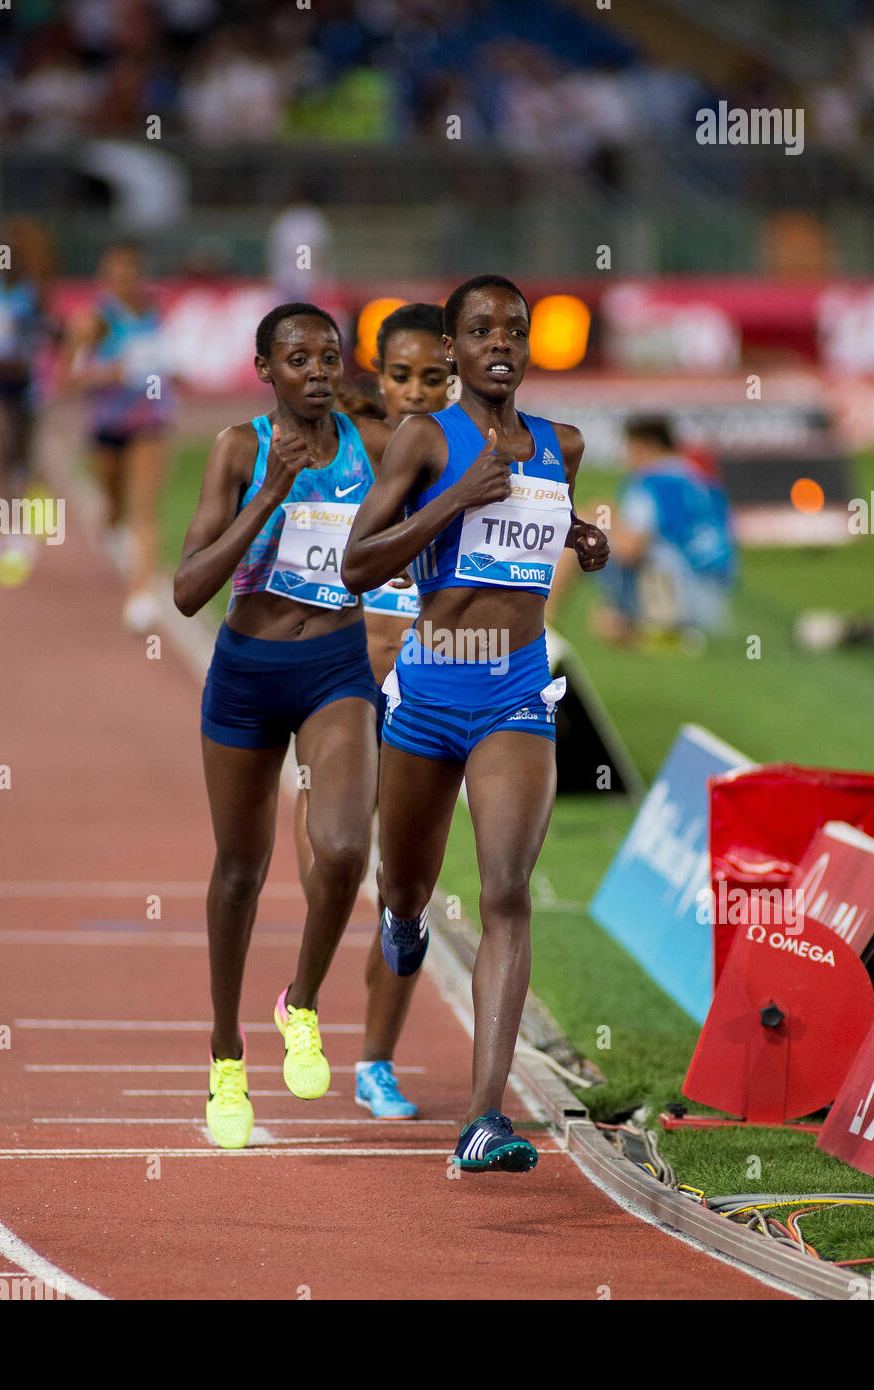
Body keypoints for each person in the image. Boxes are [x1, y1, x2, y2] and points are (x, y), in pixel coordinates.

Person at [342, 275, 609, 1171]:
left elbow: (535, 525)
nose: (501, 342)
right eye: (482, 329)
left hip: (516, 694)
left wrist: (579, 537)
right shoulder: (426, 437)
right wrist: (454, 498)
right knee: (406, 889)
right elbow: (355, 564)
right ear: (452, 350)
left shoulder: (560, 445)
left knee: (503, 893)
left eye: (515, 330)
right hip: (427, 689)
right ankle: (403, 922)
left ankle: (484, 1117)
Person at [173, 302, 391, 1150]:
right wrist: (268, 493)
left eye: (327, 356)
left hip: (336, 668)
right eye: (296, 357)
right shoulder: (239, 449)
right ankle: (227, 1052)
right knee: (239, 870)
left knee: (342, 852)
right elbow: (189, 588)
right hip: (246, 674)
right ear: (265, 369)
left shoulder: (368, 448)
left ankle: (299, 1001)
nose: (315, 369)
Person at [292, 302, 450, 1120]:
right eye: (401, 377)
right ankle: (303, 1002)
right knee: (330, 870)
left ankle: (376, 1064)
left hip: (429, 701)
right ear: (379, 378)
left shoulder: (468, 462)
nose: (417, 393)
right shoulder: (342, 462)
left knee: (406, 899)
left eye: (434, 378)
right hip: (339, 699)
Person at [62, 242, 175, 633]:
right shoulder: (93, 322)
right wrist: (112, 373)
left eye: (132, 273)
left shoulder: (156, 314)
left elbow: (164, 368)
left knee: (143, 507)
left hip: (151, 423)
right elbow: (66, 381)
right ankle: (111, 524)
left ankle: (140, 594)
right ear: (106, 280)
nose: (126, 282)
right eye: (117, 275)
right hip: (107, 426)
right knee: (113, 507)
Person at [0, 216, 58, 586]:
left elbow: (43, 338)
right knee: (0, 452)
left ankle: (35, 499)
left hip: (24, 385)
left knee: (23, 458)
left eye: (13, 254)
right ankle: (14, 531)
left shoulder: (28, 296)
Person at [594, 415, 735, 651]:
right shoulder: (699, 478)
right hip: (717, 600)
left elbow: (631, 550)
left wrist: (607, 518)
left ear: (646, 446)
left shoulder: (648, 482)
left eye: (629, 447)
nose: (625, 456)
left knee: (589, 526)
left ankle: (546, 623)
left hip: (681, 600)